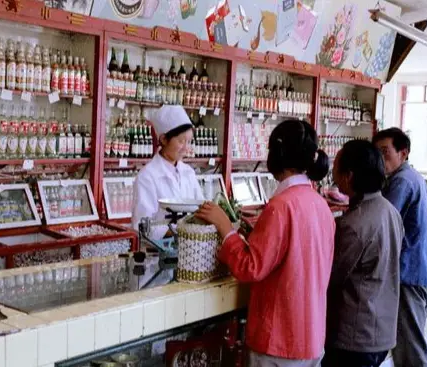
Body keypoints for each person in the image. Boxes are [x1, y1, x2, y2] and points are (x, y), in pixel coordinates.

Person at [196, 120, 335, 367]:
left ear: (276, 155)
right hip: (311, 335)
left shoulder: (281, 206)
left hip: (279, 339)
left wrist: (225, 227)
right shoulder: (319, 204)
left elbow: (250, 267)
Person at [322, 140, 404, 367]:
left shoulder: (355, 224)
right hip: (382, 330)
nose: (332, 172)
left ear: (348, 176)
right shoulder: (389, 210)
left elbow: (332, 275)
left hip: (356, 335)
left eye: (335, 166)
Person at [373, 128, 427, 367]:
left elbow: (381, 223)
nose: (380, 159)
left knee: (411, 349)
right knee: (405, 345)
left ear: (403, 153)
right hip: (417, 275)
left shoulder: (402, 181)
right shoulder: (411, 176)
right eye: (376, 153)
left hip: (409, 278)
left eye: (385, 152)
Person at [132, 105, 203, 240]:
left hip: (189, 249)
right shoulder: (147, 177)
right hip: (158, 253)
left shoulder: (188, 173)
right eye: (181, 141)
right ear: (164, 139)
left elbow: (200, 209)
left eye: (189, 141)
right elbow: (142, 226)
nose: (186, 148)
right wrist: (179, 231)